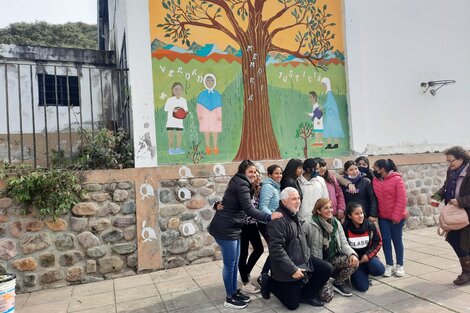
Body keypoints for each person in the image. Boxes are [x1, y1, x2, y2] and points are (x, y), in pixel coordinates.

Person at [208, 160, 282, 309]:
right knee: (230, 265)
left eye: (255, 172)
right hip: (225, 229)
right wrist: (269, 217)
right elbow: (249, 209)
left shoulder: (242, 183)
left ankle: (234, 291)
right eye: (250, 172)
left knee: (234, 263)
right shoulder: (241, 184)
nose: (254, 174)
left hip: (233, 227)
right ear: (243, 172)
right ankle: (229, 297)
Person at [260, 188, 332, 310]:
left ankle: (306, 295)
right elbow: (276, 250)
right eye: (294, 199)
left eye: (298, 198)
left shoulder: (293, 213)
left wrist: (307, 259)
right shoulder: (278, 221)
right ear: (283, 202)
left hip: (303, 260)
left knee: (326, 269)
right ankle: (269, 282)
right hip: (286, 268)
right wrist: (293, 269)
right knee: (292, 305)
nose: (298, 201)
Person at [303, 198, 359, 302]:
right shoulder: (309, 224)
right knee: (327, 297)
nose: (330, 210)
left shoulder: (336, 223)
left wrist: (352, 254)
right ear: (318, 211)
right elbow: (302, 247)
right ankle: (320, 281)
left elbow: (344, 243)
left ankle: (338, 283)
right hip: (319, 264)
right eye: (326, 208)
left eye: (331, 207)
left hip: (332, 260)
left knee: (354, 262)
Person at [432, 146, 470, 285]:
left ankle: (467, 272)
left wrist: (460, 201)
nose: (449, 164)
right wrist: (437, 196)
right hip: (454, 213)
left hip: (467, 213)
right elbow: (446, 186)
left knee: (464, 242)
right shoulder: (451, 171)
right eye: (447, 161)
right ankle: (467, 270)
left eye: (451, 160)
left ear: (461, 159)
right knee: (454, 239)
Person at [372, 158, 407, 278]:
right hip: (383, 217)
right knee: (386, 240)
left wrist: (396, 216)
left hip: (397, 217)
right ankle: (389, 264)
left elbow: (401, 199)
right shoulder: (375, 180)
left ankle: (400, 265)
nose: (374, 170)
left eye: (375, 168)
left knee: (397, 240)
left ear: (382, 169)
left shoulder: (397, 180)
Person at [343, 202, 385, 292]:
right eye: (356, 214)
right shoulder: (345, 228)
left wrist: (368, 255)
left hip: (367, 258)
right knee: (363, 288)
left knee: (380, 270)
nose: (360, 216)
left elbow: (378, 241)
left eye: (361, 213)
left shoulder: (370, 225)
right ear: (350, 216)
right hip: (354, 261)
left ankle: (367, 269)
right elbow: (343, 245)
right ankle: (356, 274)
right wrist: (352, 257)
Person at [238, 170, 263, 294]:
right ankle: (245, 282)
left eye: (258, 175)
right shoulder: (245, 189)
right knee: (243, 254)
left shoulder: (258, 189)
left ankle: (245, 273)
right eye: (254, 175)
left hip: (252, 224)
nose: (257, 177)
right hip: (242, 225)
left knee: (259, 249)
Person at [257, 164, 282, 280]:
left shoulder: (276, 186)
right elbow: (263, 206)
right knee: (275, 251)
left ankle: (273, 274)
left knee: (275, 250)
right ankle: (263, 276)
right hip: (266, 223)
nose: (279, 175)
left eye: (280, 173)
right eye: (276, 173)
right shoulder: (268, 186)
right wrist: (272, 216)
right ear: (270, 175)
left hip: (273, 223)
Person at [197, 73, 222, 155]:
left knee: (215, 132)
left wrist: (219, 115)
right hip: (205, 114)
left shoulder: (217, 94)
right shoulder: (202, 94)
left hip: (214, 114)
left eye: (211, 80)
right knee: (206, 132)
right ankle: (208, 147)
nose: (209, 82)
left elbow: (219, 106)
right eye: (207, 80)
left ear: (214, 82)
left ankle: (215, 146)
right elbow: (199, 106)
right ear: (205, 82)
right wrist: (200, 115)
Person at [163, 82, 188, 155]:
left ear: (182, 90)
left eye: (179, 89)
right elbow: (165, 108)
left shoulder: (183, 100)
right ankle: (170, 149)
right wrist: (173, 109)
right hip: (171, 121)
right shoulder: (170, 100)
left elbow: (186, 110)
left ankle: (178, 149)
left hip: (179, 122)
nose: (178, 91)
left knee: (179, 135)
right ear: (172, 90)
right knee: (171, 136)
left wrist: (183, 112)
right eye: (176, 89)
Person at [321, 77, 345, 150]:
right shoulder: (329, 93)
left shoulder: (329, 93)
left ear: (327, 85)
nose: (323, 86)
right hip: (330, 114)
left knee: (331, 128)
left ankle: (334, 144)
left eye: (324, 85)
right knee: (331, 129)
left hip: (331, 115)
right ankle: (331, 144)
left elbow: (329, 103)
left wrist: (323, 107)